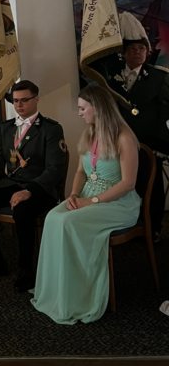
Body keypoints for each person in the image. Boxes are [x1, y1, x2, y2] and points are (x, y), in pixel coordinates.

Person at [31, 84, 140, 324]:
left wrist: (90, 201)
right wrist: (72, 195)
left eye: (82, 108)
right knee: (53, 217)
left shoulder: (124, 137)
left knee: (68, 223)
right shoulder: (90, 133)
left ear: (98, 108)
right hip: (87, 195)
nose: (79, 113)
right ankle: (58, 289)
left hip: (118, 204)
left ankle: (79, 295)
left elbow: (128, 184)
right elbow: (81, 171)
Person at [0, 80, 67, 292]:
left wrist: (29, 191)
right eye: (15, 101)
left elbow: (55, 169)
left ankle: (25, 269)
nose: (19, 105)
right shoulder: (5, 128)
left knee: (22, 210)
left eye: (24, 100)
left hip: (40, 188)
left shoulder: (51, 129)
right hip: (11, 183)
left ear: (36, 99)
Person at [92, 12, 169, 239]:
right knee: (121, 186)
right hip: (118, 144)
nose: (137, 52)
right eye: (132, 48)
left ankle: (154, 228)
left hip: (147, 145)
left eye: (142, 48)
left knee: (151, 187)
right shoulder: (110, 77)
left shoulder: (159, 77)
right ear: (123, 53)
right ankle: (128, 223)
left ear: (148, 51)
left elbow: (165, 113)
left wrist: (162, 145)